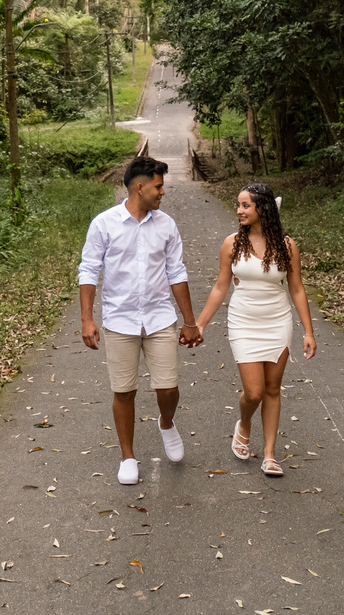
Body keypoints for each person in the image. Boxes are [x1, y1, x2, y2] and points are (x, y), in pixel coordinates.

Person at [78, 156, 203, 485]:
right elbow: (89, 271)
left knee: (168, 388)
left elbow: (176, 272)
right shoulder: (104, 225)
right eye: (158, 186)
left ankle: (166, 422)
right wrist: (87, 319)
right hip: (120, 320)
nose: (162, 192)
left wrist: (190, 321)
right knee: (124, 391)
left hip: (160, 317)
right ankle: (128, 456)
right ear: (139, 187)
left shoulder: (166, 226)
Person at [196, 182, 317, 476]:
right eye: (238, 205)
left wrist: (308, 331)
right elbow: (220, 287)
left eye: (245, 205)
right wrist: (199, 324)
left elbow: (297, 289)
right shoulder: (231, 243)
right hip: (243, 322)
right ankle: (245, 423)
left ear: (263, 208)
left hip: (277, 321)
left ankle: (269, 454)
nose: (239, 211)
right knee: (254, 392)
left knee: (272, 389)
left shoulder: (287, 246)